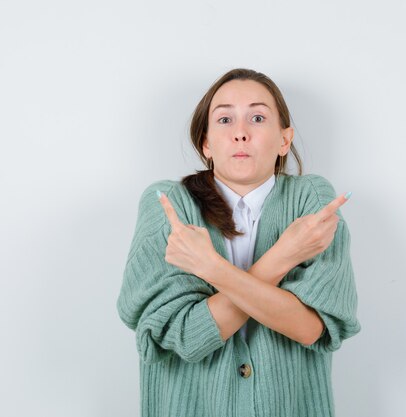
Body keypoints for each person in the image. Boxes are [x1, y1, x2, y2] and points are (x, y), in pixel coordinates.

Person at [116, 68, 361, 417]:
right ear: (206, 143)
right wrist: (286, 254)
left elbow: (309, 329)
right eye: (225, 120)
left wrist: (210, 267)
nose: (241, 133)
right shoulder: (168, 204)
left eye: (257, 118)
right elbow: (185, 336)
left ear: (284, 140)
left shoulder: (312, 198)